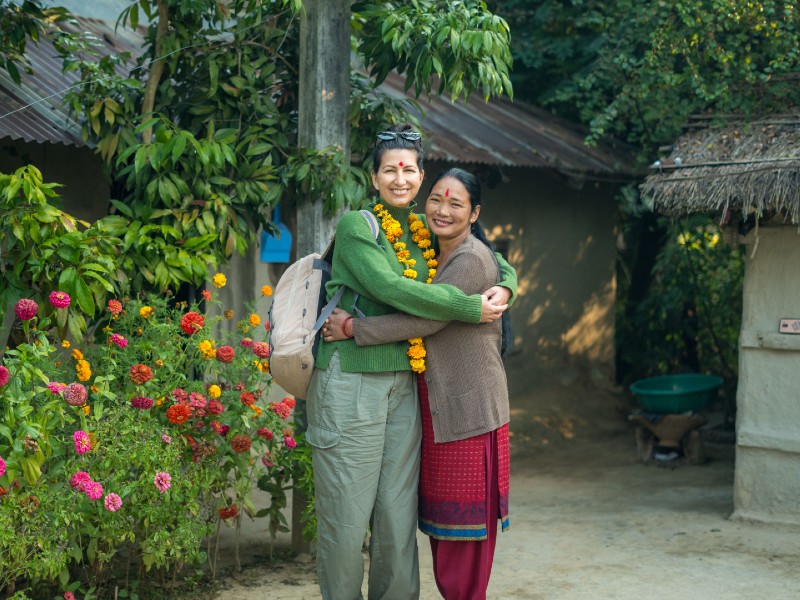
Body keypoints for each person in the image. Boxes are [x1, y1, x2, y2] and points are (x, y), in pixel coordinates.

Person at [305, 125, 516, 600]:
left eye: (409, 169)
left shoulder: (422, 229)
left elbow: (484, 256)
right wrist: (470, 308)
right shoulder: (359, 226)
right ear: (374, 176)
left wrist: (508, 283)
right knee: (346, 514)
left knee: (397, 516)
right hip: (352, 382)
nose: (400, 179)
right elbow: (392, 290)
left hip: (404, 383)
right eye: (389, 170)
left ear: (421, 175)